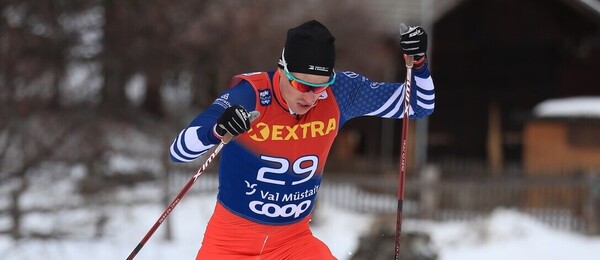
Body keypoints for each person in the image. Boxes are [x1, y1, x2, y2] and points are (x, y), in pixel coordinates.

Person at [169, 20, 434, 259]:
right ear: (282, 70)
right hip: (230, 243)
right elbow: (179, 151)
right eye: (301, 85)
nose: (310, 97)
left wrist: (419, 63)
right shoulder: (250, 96)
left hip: (293, 244)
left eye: (319, 87)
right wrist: (216, 129)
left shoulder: (340, 94)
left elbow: (419, 106)